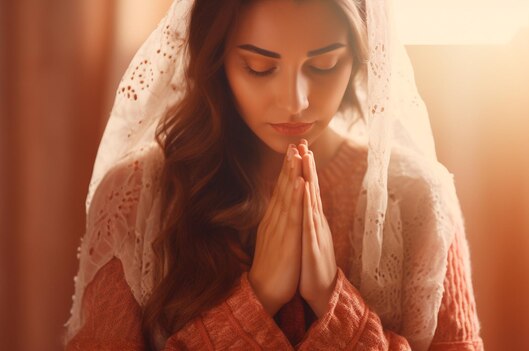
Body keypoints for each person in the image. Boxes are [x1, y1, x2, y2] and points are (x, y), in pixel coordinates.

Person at [65, 0, 484, 350]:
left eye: (324, 65)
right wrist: (258, 297)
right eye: (259, 67)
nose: (295, 101)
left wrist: (331, 299)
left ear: (359, 59)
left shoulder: (416, 199)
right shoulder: (136, 197)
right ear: (217, 61)